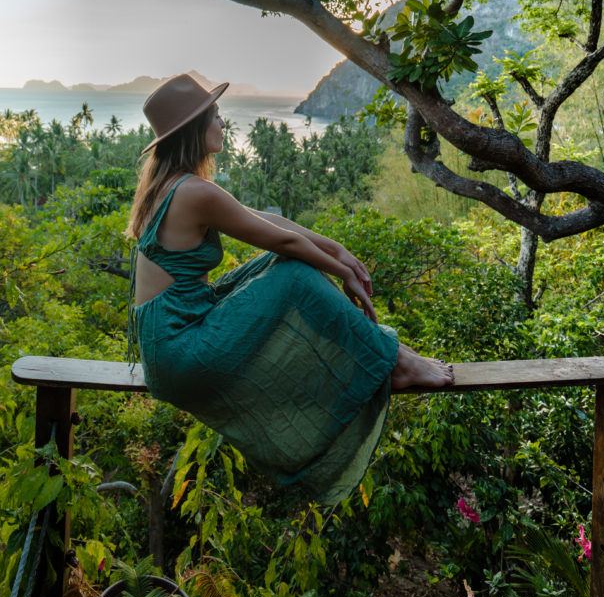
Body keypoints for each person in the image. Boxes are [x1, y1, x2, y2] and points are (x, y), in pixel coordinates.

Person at [126, 73, 453, 505]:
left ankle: (390, 355)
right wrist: (342, 270)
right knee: (294, 274)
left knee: (276, 265)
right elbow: (281, 240)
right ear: (194, 129)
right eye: (216, 117)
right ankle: (394, 360)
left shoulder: (170, 186)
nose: (223, 124)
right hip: (181, 348)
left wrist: (336, 250)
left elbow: (262, 220)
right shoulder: (192, 191)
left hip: (169, 344)